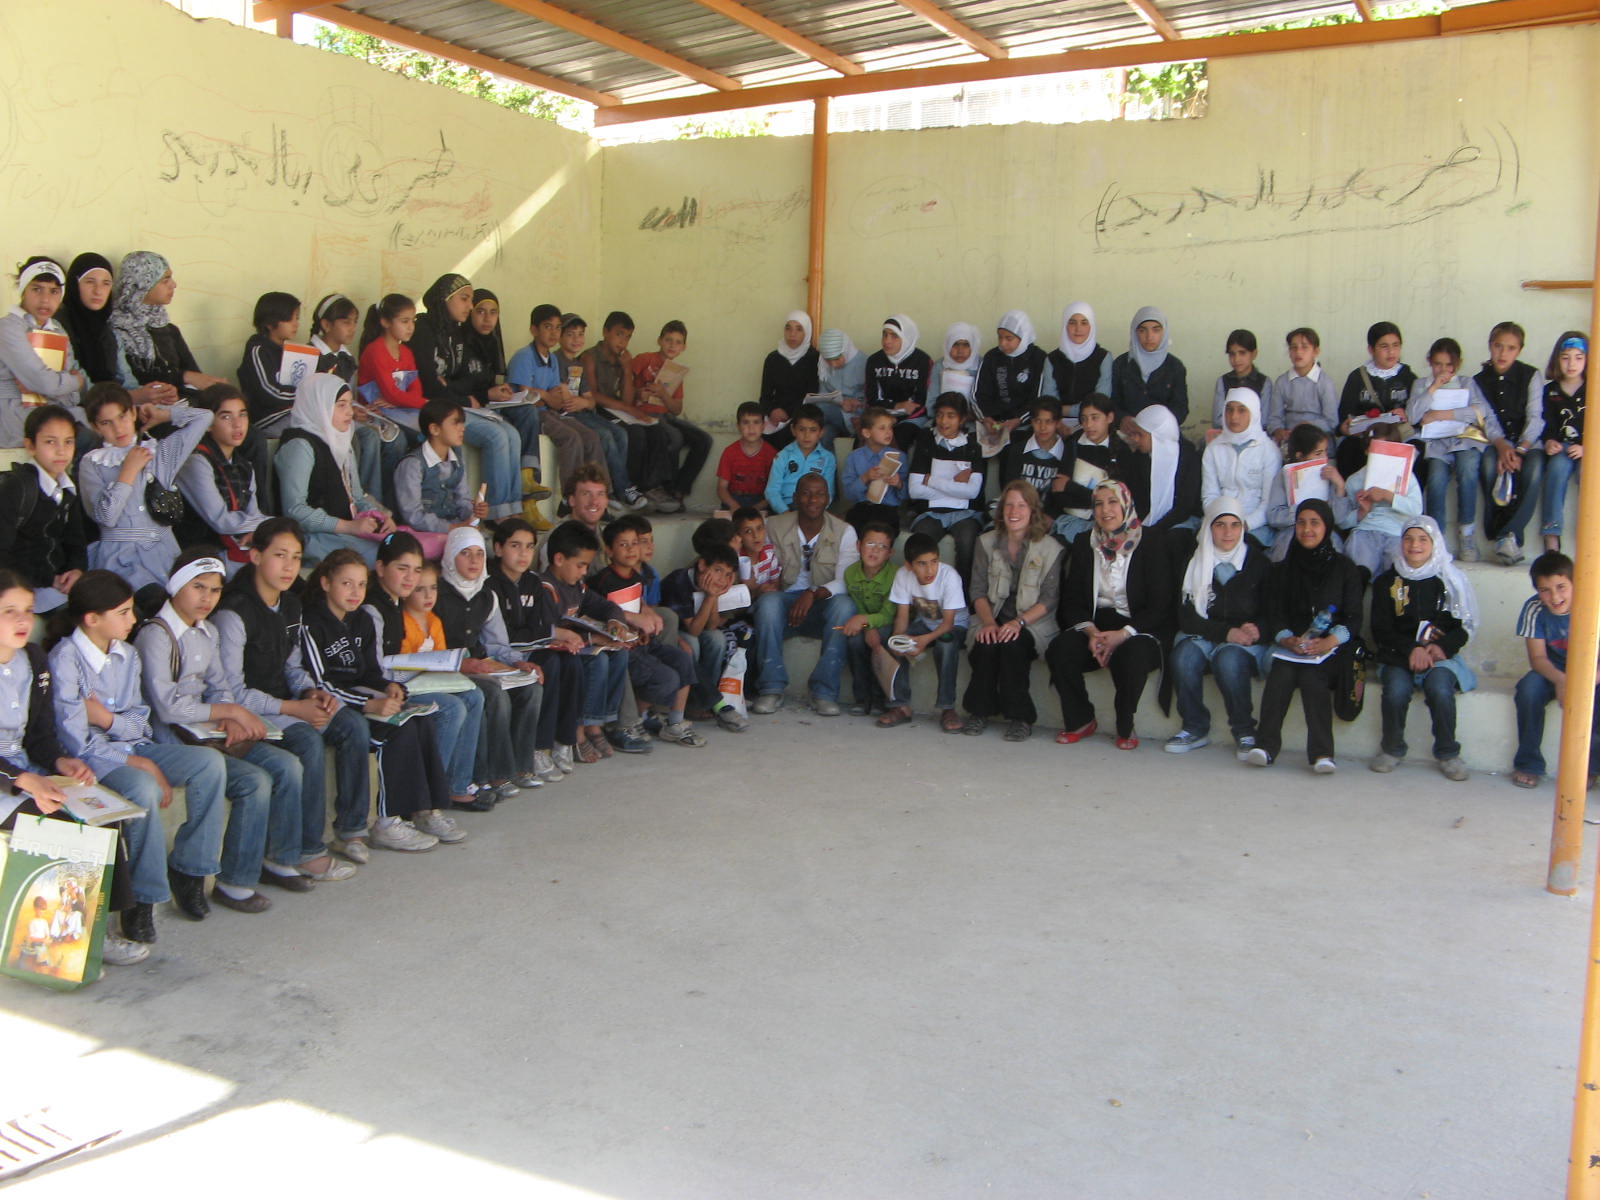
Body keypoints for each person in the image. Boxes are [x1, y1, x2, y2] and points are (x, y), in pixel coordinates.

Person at [50, 569, 238, 922]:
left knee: (209, 764)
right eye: (123, 613)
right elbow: (78, 743)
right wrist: (141, 761)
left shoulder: (127, 654)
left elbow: (141, 721)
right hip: (94, 760)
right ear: (92, 619)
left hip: (133, 745)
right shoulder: (65, 659)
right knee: (143, 786)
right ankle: (142, 899)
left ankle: (190, 870)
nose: (133, 620)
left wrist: (107, 719)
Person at [0, 569, 149, 964]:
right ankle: (55, 950)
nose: (22, 620)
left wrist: (59, 761)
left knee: (102, 814)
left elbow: (39, 735)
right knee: (58, 822)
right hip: (7, 780)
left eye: (28, 610)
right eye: (9, 611)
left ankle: (98, 933)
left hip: (25, 770)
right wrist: (24, 780)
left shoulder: (32, 660)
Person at [215, 517, 379, 866]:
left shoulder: (290, 604)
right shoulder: (234, 613)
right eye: (280, 555)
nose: (289, 566)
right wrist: (292, 708)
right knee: (307, 740)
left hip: (285, 704)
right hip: (250, 711)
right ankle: (307, 849)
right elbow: (232, 693)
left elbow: (293, 667)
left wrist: (310, 693)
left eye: (296, 557)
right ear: (255, 556)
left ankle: (351, 830)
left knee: (351, 723)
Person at [133, 552, 285, 910]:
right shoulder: (155, 635)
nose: (207, 598)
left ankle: (236, 881)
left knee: (265, 776)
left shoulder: (208, 631)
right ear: (175, 587)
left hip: (206, 736)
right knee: (232, 773)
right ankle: (190, 869)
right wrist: (227, 711)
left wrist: (228, 714)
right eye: (197, 587)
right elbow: (167, 707)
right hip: (167, 740)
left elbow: (220, 686)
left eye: (215, 590)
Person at [299, 548, 461, 850]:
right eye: (346, 584)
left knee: (421, 719)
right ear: (325, 583)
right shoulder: (311, 623)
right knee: (396, 729)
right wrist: (369, 704)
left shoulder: (361, 619)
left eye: (361, 585)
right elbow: (321, 684)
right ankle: (386, 822)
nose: (355, 592)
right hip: (333, 704)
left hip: (361, 697)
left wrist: (390, 688)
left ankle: (425, 809)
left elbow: (371, 672)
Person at [366, 533, 489, 808]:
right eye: (402, 568)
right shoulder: (375, 608)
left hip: (411, 680)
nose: (410, 578)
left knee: (474, 695)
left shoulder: (397, 602)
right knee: (452, 708)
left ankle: (456, 785)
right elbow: (377, 668)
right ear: (381, 568)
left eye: (416, 570)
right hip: (389, 687)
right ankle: (428, 799)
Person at [1046, 481, 1172, 749]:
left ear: (1126, 504)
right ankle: (1081, 719)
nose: (1106, 510)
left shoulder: (1151, 541)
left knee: (1132, 656)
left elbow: (1160, 604)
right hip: (1096, 624)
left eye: (1113, 502)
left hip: (1138, 626)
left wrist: (1123, 634)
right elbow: (1072, 600)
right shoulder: (1085, 542)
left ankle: (1125, 723)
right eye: (1099, 504)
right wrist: (1092, 633)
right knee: (1060, 650)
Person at [1244, 499, 1365, 772]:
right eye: (1301, 523)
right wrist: (1287, 638)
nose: (1307, 529)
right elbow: (1274, 613)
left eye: (1314, 523)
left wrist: (1329, 641)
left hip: (1332, 648)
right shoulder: (1283, 569)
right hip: (1293, 647)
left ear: (1327, 527)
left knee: (1313, 677)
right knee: (1281, 674)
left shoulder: (1345, 568)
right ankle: (1265, 746)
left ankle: (1322, 754)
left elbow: (1354, 617)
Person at [433, 525, 548, 787]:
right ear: (450, 556)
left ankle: (521, 767)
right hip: (449, 669)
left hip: (481, 665)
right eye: (465, 553)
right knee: (494, 693)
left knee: (531, 686)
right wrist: (460, 663)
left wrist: (517, 661)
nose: (474, 561)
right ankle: (496, 775)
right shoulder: (436, 594)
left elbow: (496, 644)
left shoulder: (487, 596)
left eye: (479, 554)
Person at [79, 383, 214, 598]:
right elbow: (105, 516)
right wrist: (128, 472)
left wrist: (163, 414)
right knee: (150, 601)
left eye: (122, 416)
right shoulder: (92, 463)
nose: (118, 428)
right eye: (106, 422)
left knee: (181, 601)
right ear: (95, 427)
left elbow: (205, 417)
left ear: (133, 413)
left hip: (165, 552)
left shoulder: (158, 453)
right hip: (121, 560)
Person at [1368, 515, 1478, 780]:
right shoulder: (1387, 582)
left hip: (1439, 656)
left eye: (1422, 539)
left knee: (1440, 689)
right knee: (1395, 691)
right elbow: (1380, 628)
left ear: (1434, 543)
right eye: (1408, 538)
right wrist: (1411, 649)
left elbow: (1463, 626)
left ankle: (1448, 753)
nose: (1414, 545)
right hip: (1397, 655)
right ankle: (1392, 749)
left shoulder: (1449, 580)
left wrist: (1441, 648)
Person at [409, 273, 525, 522]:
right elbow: (429, 385)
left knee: (512, 434)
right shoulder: (423, 329)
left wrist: (451, 386)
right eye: (464, 299)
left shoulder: (456, 333)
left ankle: (512, 510)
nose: (469, 306)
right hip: (432, 408)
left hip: (452, 403)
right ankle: (496, 515)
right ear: (445, 299)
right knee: (495, 437)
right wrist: (458, 396)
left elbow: (466, 380)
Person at [1165, 497, 1272, 757]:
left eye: (1235, 525)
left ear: (1243, 528)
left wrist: (1258, 629)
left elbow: (1273, 611)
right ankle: (1194, 727)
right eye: (1220, 525)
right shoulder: (1194, 563)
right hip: (1205, 632)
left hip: (1244, 640)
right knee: (1183, 658)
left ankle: (1245, 731)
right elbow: (1187, 617)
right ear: (1209, 528)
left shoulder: (1258, 563)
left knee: (1229, 660)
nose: (1227, 532)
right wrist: (1225, 633)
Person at [486, 518, 595, 775]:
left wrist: (555, 639)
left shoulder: (532, 583)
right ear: (498, 548)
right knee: (551, 664)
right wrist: (552, 634)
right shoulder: (489, 584)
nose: (523, 554)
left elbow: (538, 626)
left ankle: (564, 740)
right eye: (515, 546)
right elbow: (506, 637)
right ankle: (539, 747)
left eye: (529, 547)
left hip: (530, 648)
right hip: (503, 654)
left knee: (571, 660)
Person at [751, 472, 859, 716]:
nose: (813, 500)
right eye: (806, 493)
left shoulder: (845, 531)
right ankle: (771, 688)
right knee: (767, 603)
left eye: (819, 494)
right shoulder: (773, 526)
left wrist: (813, 593)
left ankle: (824, 692)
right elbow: (757, 560)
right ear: (795, 497)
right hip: (784, 605)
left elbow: (846, 580)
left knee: (845, 606)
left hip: (822, 607)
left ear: (828, 498)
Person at [961, 482, 1062, 741]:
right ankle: (979, 711)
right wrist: (988, 623)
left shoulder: (1050, 548)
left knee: (1013, 646)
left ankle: (1020, 718)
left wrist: (1018, 623)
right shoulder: (985, 542)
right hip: (992, 616)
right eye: (1009, 505)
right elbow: (977, 590)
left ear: (1032, 510)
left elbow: (1049, 599)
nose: (1014, 512)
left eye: (1021, 505)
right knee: (986, 644)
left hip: (1033, 622)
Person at [594, 520, 705, 748]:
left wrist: (646, 614)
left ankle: (674, 723)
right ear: (609, 550)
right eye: (623, 545)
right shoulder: (603, 581)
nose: (631, 550)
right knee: (666, 679)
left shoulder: (637, 576)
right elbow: (601, 611)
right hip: (621, 648)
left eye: (634, 543)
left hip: (641, 642)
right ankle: (628, 723)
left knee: (683, 659)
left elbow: (639, 602)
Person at [508, 305, 628, 512]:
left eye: (557, 327)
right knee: (571, 437)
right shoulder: (524, 356)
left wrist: (546, 396)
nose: (554, 333)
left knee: (591, 437)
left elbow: (556, 400)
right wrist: (546, 395)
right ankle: (569, 498)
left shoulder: (552, 360)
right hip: (532, 415)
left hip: (549, 412)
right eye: (548, 327)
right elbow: (525, 396)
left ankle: (602, 495)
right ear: (534, 330)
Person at [540, 520, 640, 762]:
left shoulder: (577, 586)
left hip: (577, 648)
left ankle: (597, 724)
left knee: (619, 653)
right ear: (559, 559)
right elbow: (547, 631)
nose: (585, 572)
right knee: (599, 662)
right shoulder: (545, 588)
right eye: (580, 565)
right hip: (556, 654)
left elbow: (606, 606)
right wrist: (591, 637)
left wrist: (615, 623)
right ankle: (579, 730)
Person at [276, 373, 397, 566]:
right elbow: (295, 510)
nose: (350, 412)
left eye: (350, 404)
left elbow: (357, 497)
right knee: (391, 560)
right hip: (313, 537)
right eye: (341, 405)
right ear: (319, 406)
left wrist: (380, 517)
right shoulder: (300, 446)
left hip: (344, 532)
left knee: (401, 548)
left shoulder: (340, 440)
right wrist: (349, 527)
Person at [1408, 336, 1500, 560]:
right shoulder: (1421, 385)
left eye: (1448, 365)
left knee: (1468, 469)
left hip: (1464, 439)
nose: (1443, 370)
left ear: (1457, 364)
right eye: (1437, 364)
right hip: (1436, 443)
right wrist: (1434, 388)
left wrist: (1442, 414)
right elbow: (1413, 415)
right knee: (1436, 478)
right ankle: (1436, 538)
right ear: (1429, 362)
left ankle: (1466, 533)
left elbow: (1479, 411)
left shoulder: (1466, 383)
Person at [871, 532, 968, 732]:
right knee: (891, 640)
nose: (930, 569)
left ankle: (947, 708)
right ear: (909, 565)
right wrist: (899, 639)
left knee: (946, 645)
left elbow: (948, 623)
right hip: (924, 624)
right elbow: (902, 616)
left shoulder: (949, 576)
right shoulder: (903, 575)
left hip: (954, 627)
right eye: (922, 564)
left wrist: (923, 641)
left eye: (934, 562)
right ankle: (900, 706)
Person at [1512, 551, 1591, 788]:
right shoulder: (1534, 608)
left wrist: (1583, 682)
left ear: (1575, 583)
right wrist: (1562, 680)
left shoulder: (1593, 604)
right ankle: (1529, 763)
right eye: (1545, 590)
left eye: (1561, 587)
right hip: (1552, 670)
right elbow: (1537, 658)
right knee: (1528, 690)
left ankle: (1590, 767)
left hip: (1591, 670)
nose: (1555, 597)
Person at [0, 404, 87, 613]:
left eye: (68, 441)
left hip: (58, 584)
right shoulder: (18, 487)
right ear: (30, 446)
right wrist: (49, 579)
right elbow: (3, 552)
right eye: (50, 442)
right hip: (24, 587)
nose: (61, 450)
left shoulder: (68, 487)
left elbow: (76, 540)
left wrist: (76, 570)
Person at [109, 251, 227, 403]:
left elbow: (196, 377)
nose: (173, 284)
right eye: (165, 280)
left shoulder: (168, 329)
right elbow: (135, 380)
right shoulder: (117, 330)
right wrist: (183, 377)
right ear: (143, 284)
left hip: (182, 403)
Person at [174, 383, 268, 573]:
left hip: (234, 546)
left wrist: (259, 529)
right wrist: (268, 526)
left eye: (242, 415)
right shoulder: (196, 461)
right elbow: (221, 520)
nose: (237, 424)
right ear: (208, 424)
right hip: (201, 552)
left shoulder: (244, 465)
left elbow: (253, 514)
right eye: (226, 416)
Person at [659, 542, 751, 732]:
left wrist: (714, 596)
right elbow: (693, 630)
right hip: (670, 634)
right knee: (692, 643)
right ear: (701, 565)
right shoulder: (679, 581)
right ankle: (701, 702)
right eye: (717, 570)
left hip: (694, 628)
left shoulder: (714, 587)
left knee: (717, 639)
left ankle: (701, 703)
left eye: (728, 574)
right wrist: (710, 596)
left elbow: (711, 626)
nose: (722, 579)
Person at [1475, 321, 1546, 566]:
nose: (1503, 353)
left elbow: (1535, 416)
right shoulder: (1478, 381)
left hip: (1529, 442)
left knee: (1534, 469)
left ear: (1519, 350)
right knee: (1488, 466)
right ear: (1490, 346)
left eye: (1511, 348)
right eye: (1498, 346)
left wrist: (1521, 449)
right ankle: (1500, 531)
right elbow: (1486, 419)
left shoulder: (1531, 375)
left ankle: (1508, 534)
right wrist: (1503, 446)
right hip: (1495, 443)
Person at [0, 257, 85, 447]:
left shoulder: (57, 329)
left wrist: (51, 387)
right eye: (37, 289)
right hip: (14, 418)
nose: (45, 300)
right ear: (23, 290)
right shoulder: (8, 328)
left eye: (54, 291)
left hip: (51, 413)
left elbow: (72, 397)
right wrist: (75, 381)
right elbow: (44, 383)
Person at [576, 310, 653, 514]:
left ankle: (633, 488)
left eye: (628, 337)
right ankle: (623, 488)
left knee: (645, 432)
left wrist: (627, 369)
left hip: (616, 409)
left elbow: (627, 399)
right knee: (623, 434)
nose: (623, 341)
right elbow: (593, 395)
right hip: (594, 409)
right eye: (619, 334)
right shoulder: (590, 357)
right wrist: (628, 409)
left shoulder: (621, 359)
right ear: (605, 332)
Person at [906, 393, 984, 592]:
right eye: (940, 415)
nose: (943, 421)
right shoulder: (926, 442)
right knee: (921, 544)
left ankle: (962, 598)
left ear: (962, 419)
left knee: (968, 544)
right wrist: (956, 488)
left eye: (951, 416)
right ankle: (924, 596)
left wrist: (932, 481)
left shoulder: (973, 447)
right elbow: (915, 490)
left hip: (965, 513)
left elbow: (973, 492)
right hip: (931, 512)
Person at [632, 320, 712, 508]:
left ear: (683, 347)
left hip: (666, 416)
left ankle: (678, 488)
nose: (672, 345)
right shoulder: (644, 359)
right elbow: (624, 382)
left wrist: (663, 394)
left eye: (678, 342)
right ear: (659, 340)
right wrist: (637, 393)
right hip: (644, 414)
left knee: (704, 440)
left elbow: (677, 408)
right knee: (674, 437)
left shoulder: (675, 371)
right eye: (668, 340)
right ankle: (660, 487)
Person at [1338, 422, 1424, 579]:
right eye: (1377, 451)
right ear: (1367, 450)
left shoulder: (1406, 477)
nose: (1383, 456)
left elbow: (1416, 510)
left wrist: (1387, 495)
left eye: (1388, 450)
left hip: (1397, 532)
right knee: (1359, 572)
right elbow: (1344, 522)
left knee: (1395, 576)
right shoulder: (1355, 480)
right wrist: (1362, 512)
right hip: (1366, 531)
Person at [393, 397, 487, 539]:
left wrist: (474, 512)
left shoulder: (457, 461)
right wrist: (451, 528)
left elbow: (462, 500)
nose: (462, 428)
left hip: (455, 530)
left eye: (462, 422)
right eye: (455, 423)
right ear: (435, 429)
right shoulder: (412, 464)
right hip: (423, 536)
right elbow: (413, 515)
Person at [1335, 321, 1416, 477]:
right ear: (1371, 349)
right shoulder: (1357, 377)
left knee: (1417, 448)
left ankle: (1404, 493)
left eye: (1396, 345)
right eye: (1384, 346)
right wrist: (1345, 427)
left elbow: (1418, 415)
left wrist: (1407, 415)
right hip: (1366, 437)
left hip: (1398, 436)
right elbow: (1344, 415)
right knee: (1348, 449)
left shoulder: (1408, 376)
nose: (1391, 352)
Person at [1261, 423, 1349, 562]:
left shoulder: (1329, 474)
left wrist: (1339, 485)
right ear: (1300, 455)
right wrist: (1303, 512)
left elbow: (1340, 518)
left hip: (1324, 532)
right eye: (1318, 453)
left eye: (1325, 452)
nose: (1324, 458)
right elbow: (1274, 516)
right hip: (1293, 532)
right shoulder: (1283, 476)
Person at [1200, 387, 1278, 542]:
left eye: (1242, 410)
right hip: (1219, 521)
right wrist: (1221, 522)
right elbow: (1209, 495)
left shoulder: (1268, 450)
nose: (1234, 416)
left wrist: (1245, 524)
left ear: (1253, 413)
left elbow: (1268, 502)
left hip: (1255, 526)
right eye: (1229, 410)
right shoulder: (1213, 449)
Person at [839, 520, 898, 716]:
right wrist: (866, 626)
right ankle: (862, 698)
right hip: (865, 622)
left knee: (883, 640)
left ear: (890, 553)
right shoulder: (851, 573)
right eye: (870, 543)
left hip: (889, 623)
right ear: (858, 546)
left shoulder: (896, 576)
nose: (875, 550)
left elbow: (889, 614)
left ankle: (880, 698)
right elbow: (858, 606)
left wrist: (868, 623)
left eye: (882, 546)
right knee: (854, 641)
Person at [972, 310, 1051, 452]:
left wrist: (1019, 419)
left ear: (1023, 337)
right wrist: (985, 417)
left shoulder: (1038, 358)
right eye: (1000, 337)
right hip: (993, 423)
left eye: (1009, 338)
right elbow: (979, 393)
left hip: (1025, 424)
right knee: (976, 450)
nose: (1003, 343)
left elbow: (1038, 398)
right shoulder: (992, 357)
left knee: (1015, 452)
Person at [1052, 393, 1125, 545]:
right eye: (1084, 419)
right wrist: (1094, 498)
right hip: (1071, 519)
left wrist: (1071, 487)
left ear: (1109, 418)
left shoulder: (1122, 449)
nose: (1088, 425)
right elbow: (1060, 493)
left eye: (1095, 418)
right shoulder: (1074, 444)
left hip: (1108, 523)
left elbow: (1117, 501)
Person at [1539, 332, 1588, 553]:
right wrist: (1549, 442)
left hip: (1588, 449)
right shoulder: (1550, 391)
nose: (1572, 364)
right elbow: (1546, 424)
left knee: (1589, 475)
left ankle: (1590, 533)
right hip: (1562, 447)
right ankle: (1551, 535)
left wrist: (1588, 448)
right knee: (1557, 469)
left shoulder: (1594, 388)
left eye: (1579, 357)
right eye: (1565, 357)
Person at [1126, 404, 1202, 540]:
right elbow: (1137, 498)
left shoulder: (1188, 457)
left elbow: (1185, 506)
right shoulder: (1139, 457)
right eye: (1134, 434)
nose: (1135, 439)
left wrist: (1155, 529)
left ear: (1157, 436)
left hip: (1181, 521)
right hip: (1145, 521)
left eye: (1140, 435)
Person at [235, 291, 303, 438]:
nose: (296, 324)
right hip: (268, 420)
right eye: (289, 319)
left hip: (291, 413)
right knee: (312, 427)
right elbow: (270, 392)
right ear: (270, 323)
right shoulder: (258, 350)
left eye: (297, 318)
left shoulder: (289, 351)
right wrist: (304, 394)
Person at [56, 252, 127, 391]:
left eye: (106, 283)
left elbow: (126, 379)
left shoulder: (107, 329)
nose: (98, 291)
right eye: (90, 282)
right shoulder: (57, 326)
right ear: (74, 284)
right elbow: (72, 383)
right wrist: (128, 397)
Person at [864, 315, 933, 452]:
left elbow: (922, 400)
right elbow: (871, 399)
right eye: (884, 335)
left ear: (906, 337)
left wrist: (898, 417)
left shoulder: (923, 361)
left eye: (894, 336)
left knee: (901, 436)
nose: (887, 341)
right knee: (864, 437)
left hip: (912, 418)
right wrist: (894, 407)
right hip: (880, 415)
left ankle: (894, 467)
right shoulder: (874, 361)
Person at [1111, 306, 1188, 423]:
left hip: (1163, 430)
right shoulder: (1121, 364)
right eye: (1142, 330)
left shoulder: (1175, 366)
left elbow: (1180, 408)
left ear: (1164, 332)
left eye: (1156, 330)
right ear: (1135, 332)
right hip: (1127, 429)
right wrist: (1123, 420)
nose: (1149, 336)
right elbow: (1113, 403)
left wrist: (1159, 426)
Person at [758, 310, 822, 445]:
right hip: (776, 419)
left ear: (807, 332)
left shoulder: (815, 359)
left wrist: (789, 414)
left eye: (799, 329)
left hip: (804, 417)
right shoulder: (773, 359)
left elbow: (813, 395)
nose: (792, 334)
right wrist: (772, 411)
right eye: (788, 328)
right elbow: (765, 396)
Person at [1267, 328, 1338, 444]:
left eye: (1304, 347)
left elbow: (1332, 421)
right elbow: (1274, 418)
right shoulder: (1282, 382)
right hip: (1289, 440)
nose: (1298, 352)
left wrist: (1308, 426)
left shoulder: (1325, 383)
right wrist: (1278, 430)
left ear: (1316, 351)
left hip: (1317, 441)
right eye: (1294, 347)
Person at [842, 405, 906, 532]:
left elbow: (906, 495)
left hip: (888, 509)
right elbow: (849, 494)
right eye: (882, 428)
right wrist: (865, 478)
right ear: (867, 433)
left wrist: (899, 483)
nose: (888, 432)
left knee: (885, 527)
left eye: (890, 427)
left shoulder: (899, 457)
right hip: (862, 507)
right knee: (852, 526)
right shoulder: (854, 457)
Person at [765, 403, 835, 515]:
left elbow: (828, 493)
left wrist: (816, 512)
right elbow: (772, 491)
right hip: (786, 507)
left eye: (813, 430)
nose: (807, 435)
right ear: (793, 430)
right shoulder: (783, 456)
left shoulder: (828, 458)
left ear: (821, 432)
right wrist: (785, 512)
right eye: (802, 429)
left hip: (814, 508)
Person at [1047, 303, 1112, 421]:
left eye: (1084, 323)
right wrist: (1057, 415)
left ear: (1091, 326)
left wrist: (1064, 410)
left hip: (1092, 423)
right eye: (1072, 323)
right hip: (1056, 422)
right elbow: (1048, 402)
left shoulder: (1103, 357)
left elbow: (1101, 403)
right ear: (1065, 325)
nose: (1078, 329)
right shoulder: (1052, 359)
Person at [718, 401, 778, 512]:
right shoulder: (730, 452)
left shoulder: (771, 454)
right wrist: (733, 505)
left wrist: (756, 509)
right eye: (745, 422)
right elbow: (722, 488)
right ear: (738, 426)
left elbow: (775, 491)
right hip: (734, 500)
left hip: (761, 502)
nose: (751, 428)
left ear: (763, 426)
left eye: (756, 422)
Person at [1210, 329, 1274, 433]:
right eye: (1232, 354)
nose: (1236, 359)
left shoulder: (1264, 382)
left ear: (1254, 354)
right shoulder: (1223, 381)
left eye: (1242, 353)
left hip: (1256, 435)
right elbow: (1217, 420)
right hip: (1227, 434)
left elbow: (1264, 421)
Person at [817, 328, 867, 434]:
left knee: (818, 412)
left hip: (856, 417)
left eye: (837, 359)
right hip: (834, 415)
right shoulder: (823, 365)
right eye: (828, 360)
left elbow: (871, 397)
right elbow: (822, 395)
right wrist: (840, 401)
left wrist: (856, 402)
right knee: (824, 434)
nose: (833, 365)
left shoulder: (864, 363)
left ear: (846, 350)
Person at [928, 323, 981, 410]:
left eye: (966, 345)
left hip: (973, 415)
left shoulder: (981, 365)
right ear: (948, 345)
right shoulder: (940, 366)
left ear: (973, 346)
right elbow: (931, 401)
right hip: (943, 415)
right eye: (955, 344)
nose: (960, 351)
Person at [734, 508, 782, 596]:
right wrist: (756, 591)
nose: (756, 535)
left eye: (759, 528)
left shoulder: (770, 554)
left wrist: (762, 590)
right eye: (748, 531)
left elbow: (775, 585)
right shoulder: (735, 559)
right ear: (738, 536)